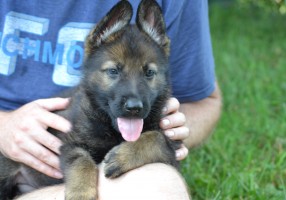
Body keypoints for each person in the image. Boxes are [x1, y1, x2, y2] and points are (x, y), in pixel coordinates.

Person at [0, 0, 222, 199]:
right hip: (12, 163)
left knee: (162, 186)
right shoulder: (85, 110)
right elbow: (74, 149)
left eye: (149, 73)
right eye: (114, 72)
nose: (134, 99)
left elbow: (206, 102)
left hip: (98, 189)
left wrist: (166, 138)